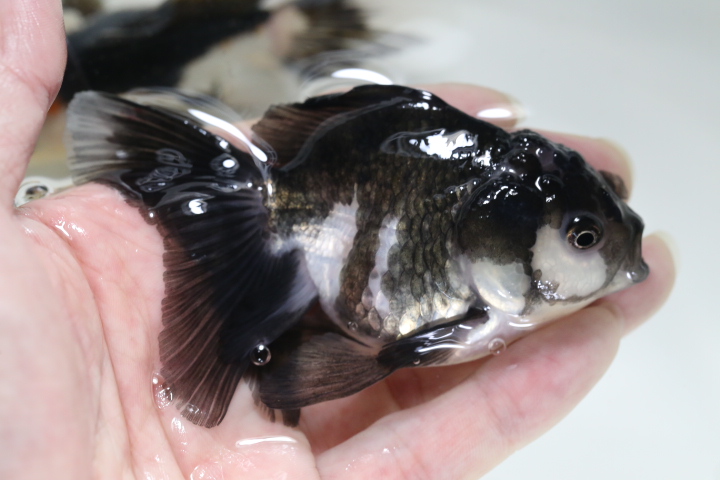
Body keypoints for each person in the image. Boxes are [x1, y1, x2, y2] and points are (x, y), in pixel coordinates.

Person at [0, 1, 675, 478]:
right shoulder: (473, 302)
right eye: (582, 237)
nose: (604, 256)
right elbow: (392, 350)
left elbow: (363, 358)